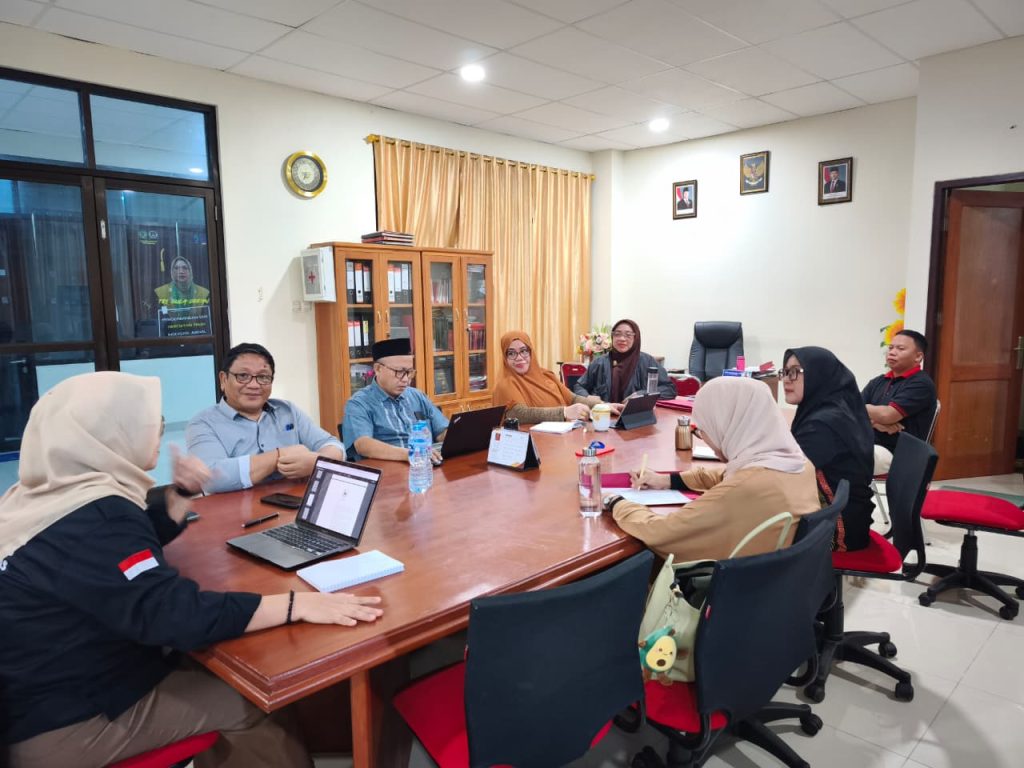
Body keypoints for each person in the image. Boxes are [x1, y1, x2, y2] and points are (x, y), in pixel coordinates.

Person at [0, 372, 382, 768]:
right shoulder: (100, 516)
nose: (158, 431)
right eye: (151, 422)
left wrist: (182, 493)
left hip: (34, 692)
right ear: (109, 434)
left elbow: (117, 551)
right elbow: (177, 615)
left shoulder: (43, 495)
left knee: (212, 665)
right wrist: (296, 604)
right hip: (69, 720)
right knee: (255, 699)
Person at [606, 376, 819, 562]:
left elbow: (661, 532)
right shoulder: (798, 464)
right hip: (782, 580)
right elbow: (725, 477)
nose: (705, 439)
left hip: (734, 585)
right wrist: (667, 480)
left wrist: (616, 502)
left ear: (727, 423)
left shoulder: (744, 489)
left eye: (703, 429)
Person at [186, 343, 344, 494]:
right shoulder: (203, 423)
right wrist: (278, 456)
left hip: (292, 504)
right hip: (237, 509)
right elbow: (210, 477)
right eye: (243, 376)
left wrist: (316, 462)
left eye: (263, 377)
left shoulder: (287, 411)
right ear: (223, 379)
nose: (254, 385)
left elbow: (334, 446)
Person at [782, 347, 875, 552]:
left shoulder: (822, 425)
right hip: (845, 515)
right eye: (785, 372)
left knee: (747, 523)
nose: (787, 379)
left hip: (839, 530)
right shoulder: (829, 409)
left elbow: (785, 473)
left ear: (819, 374)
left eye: (795, 371)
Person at [342, 338, 448, 462]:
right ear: (378, 369)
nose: (406, 379)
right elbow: (363, 444)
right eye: (399, 372)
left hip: (427, 464)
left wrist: (457, 437)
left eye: (409, 372)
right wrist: (410, 454)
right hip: (391, 469)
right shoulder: (359, 403)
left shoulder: (417, 396)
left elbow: (441, 431)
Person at [492, 330, 617, 424]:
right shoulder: (505, 384)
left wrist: (603, 406)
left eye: (524, 351)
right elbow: (519, 414)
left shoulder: (546, 375)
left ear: (531, 352)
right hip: (533, 444)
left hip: (563, 436)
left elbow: (573, 399)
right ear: (505, 357)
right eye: (511, 353)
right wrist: (564, 412)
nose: (519, 358)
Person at [861, 330, 937, 474]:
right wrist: (876, 423)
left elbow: (887, 415)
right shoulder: (878, 381)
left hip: (896, 452)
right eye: (890, 348)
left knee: (841, 456)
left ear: (918, 357)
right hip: (869, 443)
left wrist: (868, 412)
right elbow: (850, 413)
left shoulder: (921, 384)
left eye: (900, 349)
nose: (892, 352)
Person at [572, 319, 675, 404]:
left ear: (636, 338)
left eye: (628, 335)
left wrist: (642, 394)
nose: (622, 338)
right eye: (617, 334)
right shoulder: (599, 362)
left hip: (636, 416)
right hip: (604, 415)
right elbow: (578, 386)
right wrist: (588, 397)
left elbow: (669, 389)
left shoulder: (647, 361)